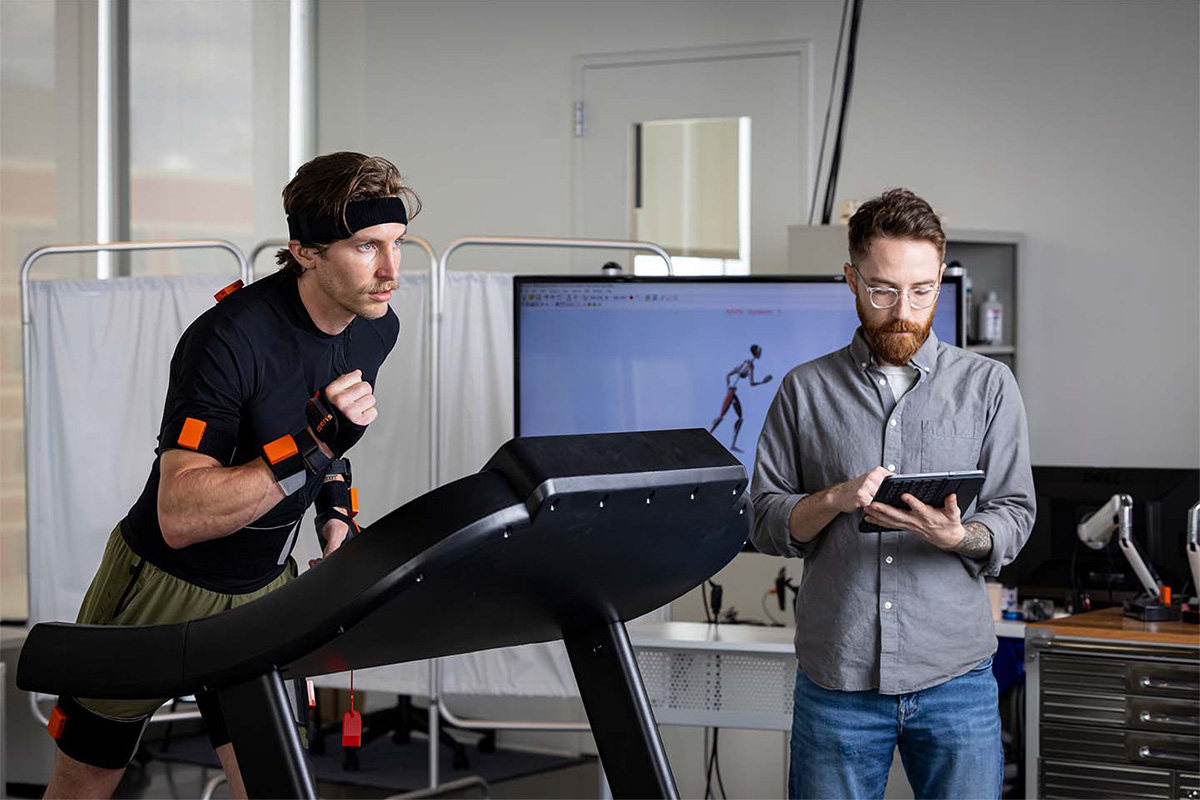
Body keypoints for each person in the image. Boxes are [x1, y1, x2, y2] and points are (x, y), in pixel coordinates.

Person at [43, 152, 420, 799]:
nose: (390, 271)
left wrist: (334, 514)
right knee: (88, 777)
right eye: (366, 247)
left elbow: (333, 442)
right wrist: (308, 448)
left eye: (396, 245)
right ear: (304, 251)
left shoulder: (372, 329)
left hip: (265, 589)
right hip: (161, 585)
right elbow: (181, 514)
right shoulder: (227, 339)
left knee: (271, 778)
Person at [750, 188, 1034, 799]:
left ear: (939, 280)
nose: (904, 310)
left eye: (922, 290)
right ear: (851, 280)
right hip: (837, 681)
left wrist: (960, 536)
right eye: (882, 290)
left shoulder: (989, 387)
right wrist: (832, 500)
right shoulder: (804, 391)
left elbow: (1015, 512)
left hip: (956, 679)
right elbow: (764, 519)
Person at [710, 344, 773, 452]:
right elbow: (751, 383)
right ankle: (708, 433)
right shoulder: (749, 365)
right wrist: (762, 382)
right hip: (731, 392)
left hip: (732, 392)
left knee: (740, 417)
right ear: (755, 352)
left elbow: (728, 375)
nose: (760, 354)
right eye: (759, 351)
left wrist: (729, 387)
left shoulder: (745, 363)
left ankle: (732, 444)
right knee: (721, 416)